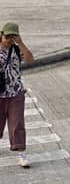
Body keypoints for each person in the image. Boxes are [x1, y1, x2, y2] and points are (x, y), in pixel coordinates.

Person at [0, 22, 34, 168]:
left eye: (12, 37)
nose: (9, 40)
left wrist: (21, 43)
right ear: (1, 35)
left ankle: (21, 154)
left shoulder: (16, 49)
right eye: (7, 36)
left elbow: (30, 60)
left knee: (17, 124)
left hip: (15, 93)